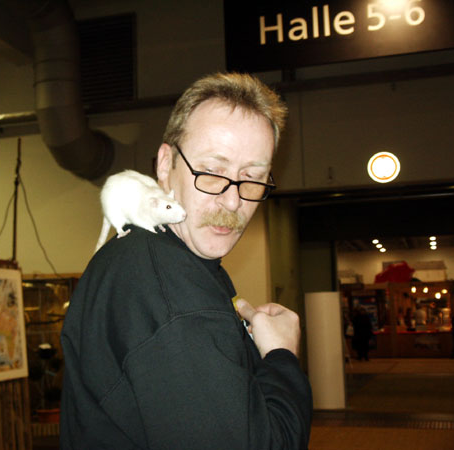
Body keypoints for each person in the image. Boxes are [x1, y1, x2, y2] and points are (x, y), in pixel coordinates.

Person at [60, 72, 312, 449]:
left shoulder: (149, 259)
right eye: (211, 172)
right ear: (165, 165)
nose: (233, 201)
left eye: (252, 177)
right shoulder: (170, 292)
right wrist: (281, 357)